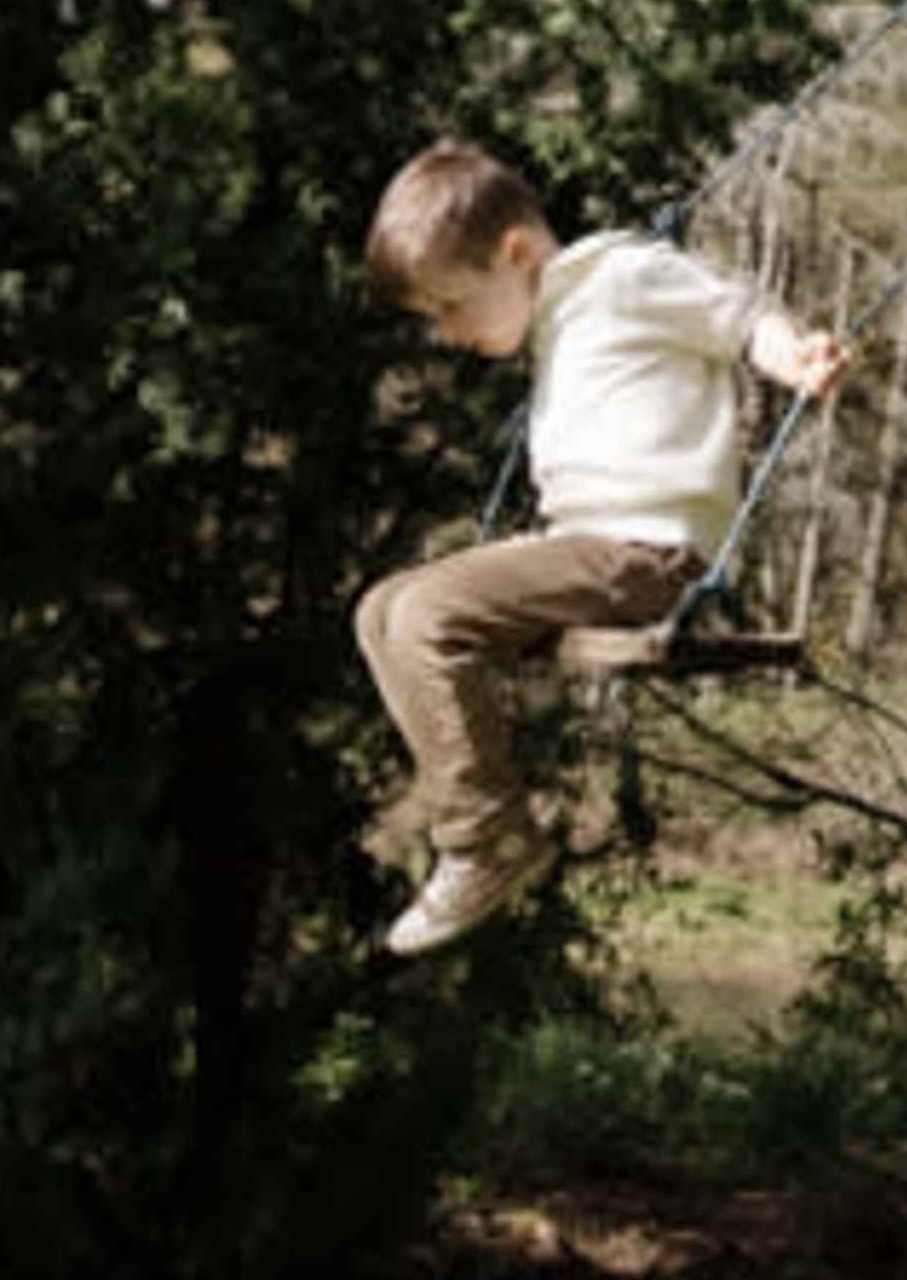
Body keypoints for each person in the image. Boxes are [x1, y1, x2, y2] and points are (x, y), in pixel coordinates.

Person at [356, 137, 851, 958]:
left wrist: (795, 354)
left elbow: (736, 313)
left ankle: (484, 838)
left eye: (451, 305)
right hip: (593, 551)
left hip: (648, 555)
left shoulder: (620, 275)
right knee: (380, 612)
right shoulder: (557, 317)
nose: (447, 333)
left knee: (426, 614)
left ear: (515, 252)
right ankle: (463, 797)